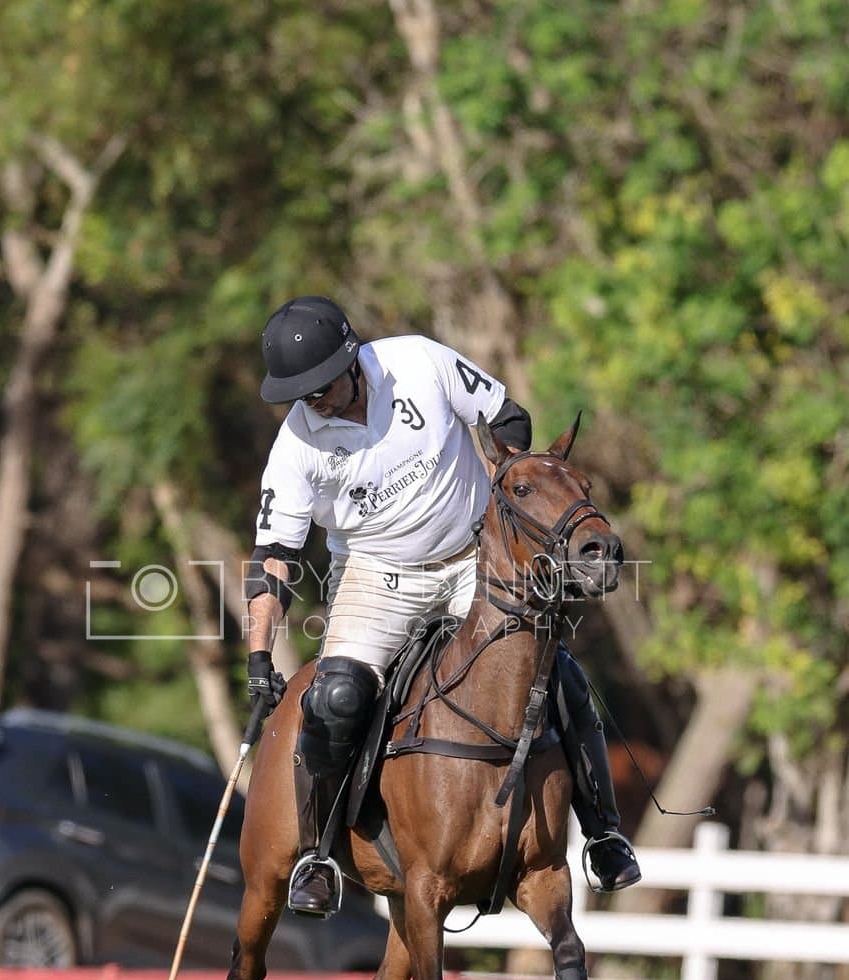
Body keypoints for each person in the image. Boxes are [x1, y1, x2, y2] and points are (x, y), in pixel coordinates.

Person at [244, 296, 641, 918]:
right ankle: (318, 854)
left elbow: (508, 415)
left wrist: (506, 468)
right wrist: (260, 655)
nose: (312, 400)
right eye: (299, 391)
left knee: (557, 672)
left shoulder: (419, 363)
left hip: (472, 560)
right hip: (376, 576)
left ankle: (604, 833)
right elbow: (271, 558)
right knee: (336, 698)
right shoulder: (296, 447)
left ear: (352, 361)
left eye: (320, 385)